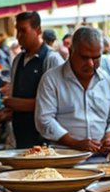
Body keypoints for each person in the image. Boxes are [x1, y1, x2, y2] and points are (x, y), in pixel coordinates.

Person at [36, 27, 110, 160]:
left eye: (96, 58)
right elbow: (44, 120)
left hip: (100, 158)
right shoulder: (51, 79)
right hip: (64, 158)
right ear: (71, 51)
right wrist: (75, 143)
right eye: (84, 58)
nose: (90, 64)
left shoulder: (105, 79)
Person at [5, 12, 65, 148]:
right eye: (17, 31)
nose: (18, 36)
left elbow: (58, 103)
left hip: (45, 139)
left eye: (23, 30)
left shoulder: (51, 59)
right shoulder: (17, 60)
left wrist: (13, 103)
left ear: (38, 30)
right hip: (20, 135)